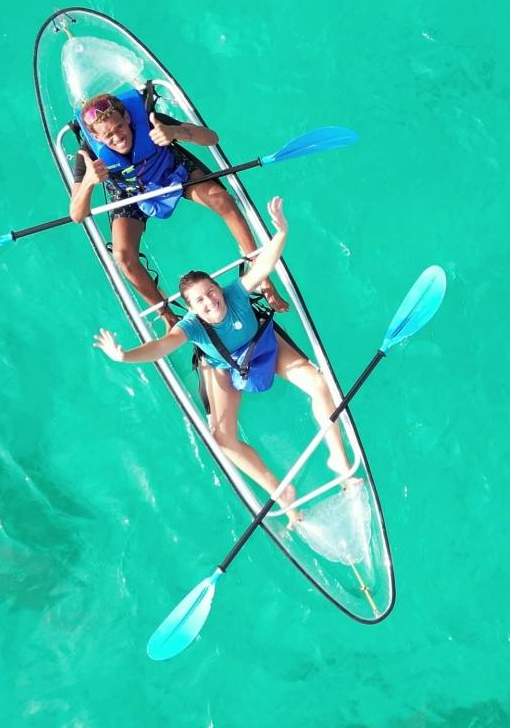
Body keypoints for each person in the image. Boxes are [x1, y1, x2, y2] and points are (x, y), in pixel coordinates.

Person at [93, 197, 351, 515]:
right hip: (222, 365)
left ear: (219, 287)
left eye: (211, 292)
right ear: (190, 308)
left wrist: (281, 233)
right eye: (199, 300)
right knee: (222, 439)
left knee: (319, 383)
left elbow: (265, 265)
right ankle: (280, 491)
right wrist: (124, 356)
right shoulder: (191, 327)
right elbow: (161, 346)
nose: (209, 301)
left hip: (263, 345)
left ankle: (337, 457)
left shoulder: (236, 292)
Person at [69, 90, 287, 325]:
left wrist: (175, 132)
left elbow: (211, 138)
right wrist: (89, 183)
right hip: (130, 194)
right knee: (123, 256)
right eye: (108, 135)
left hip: (172, 172)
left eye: (119, 127)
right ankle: (167, 317)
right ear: (96, 137)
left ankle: (260, 274)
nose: (117, 137)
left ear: (128, 119)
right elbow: (77, 214)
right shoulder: (88, 155)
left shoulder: (150, 120)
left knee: (222, 199)